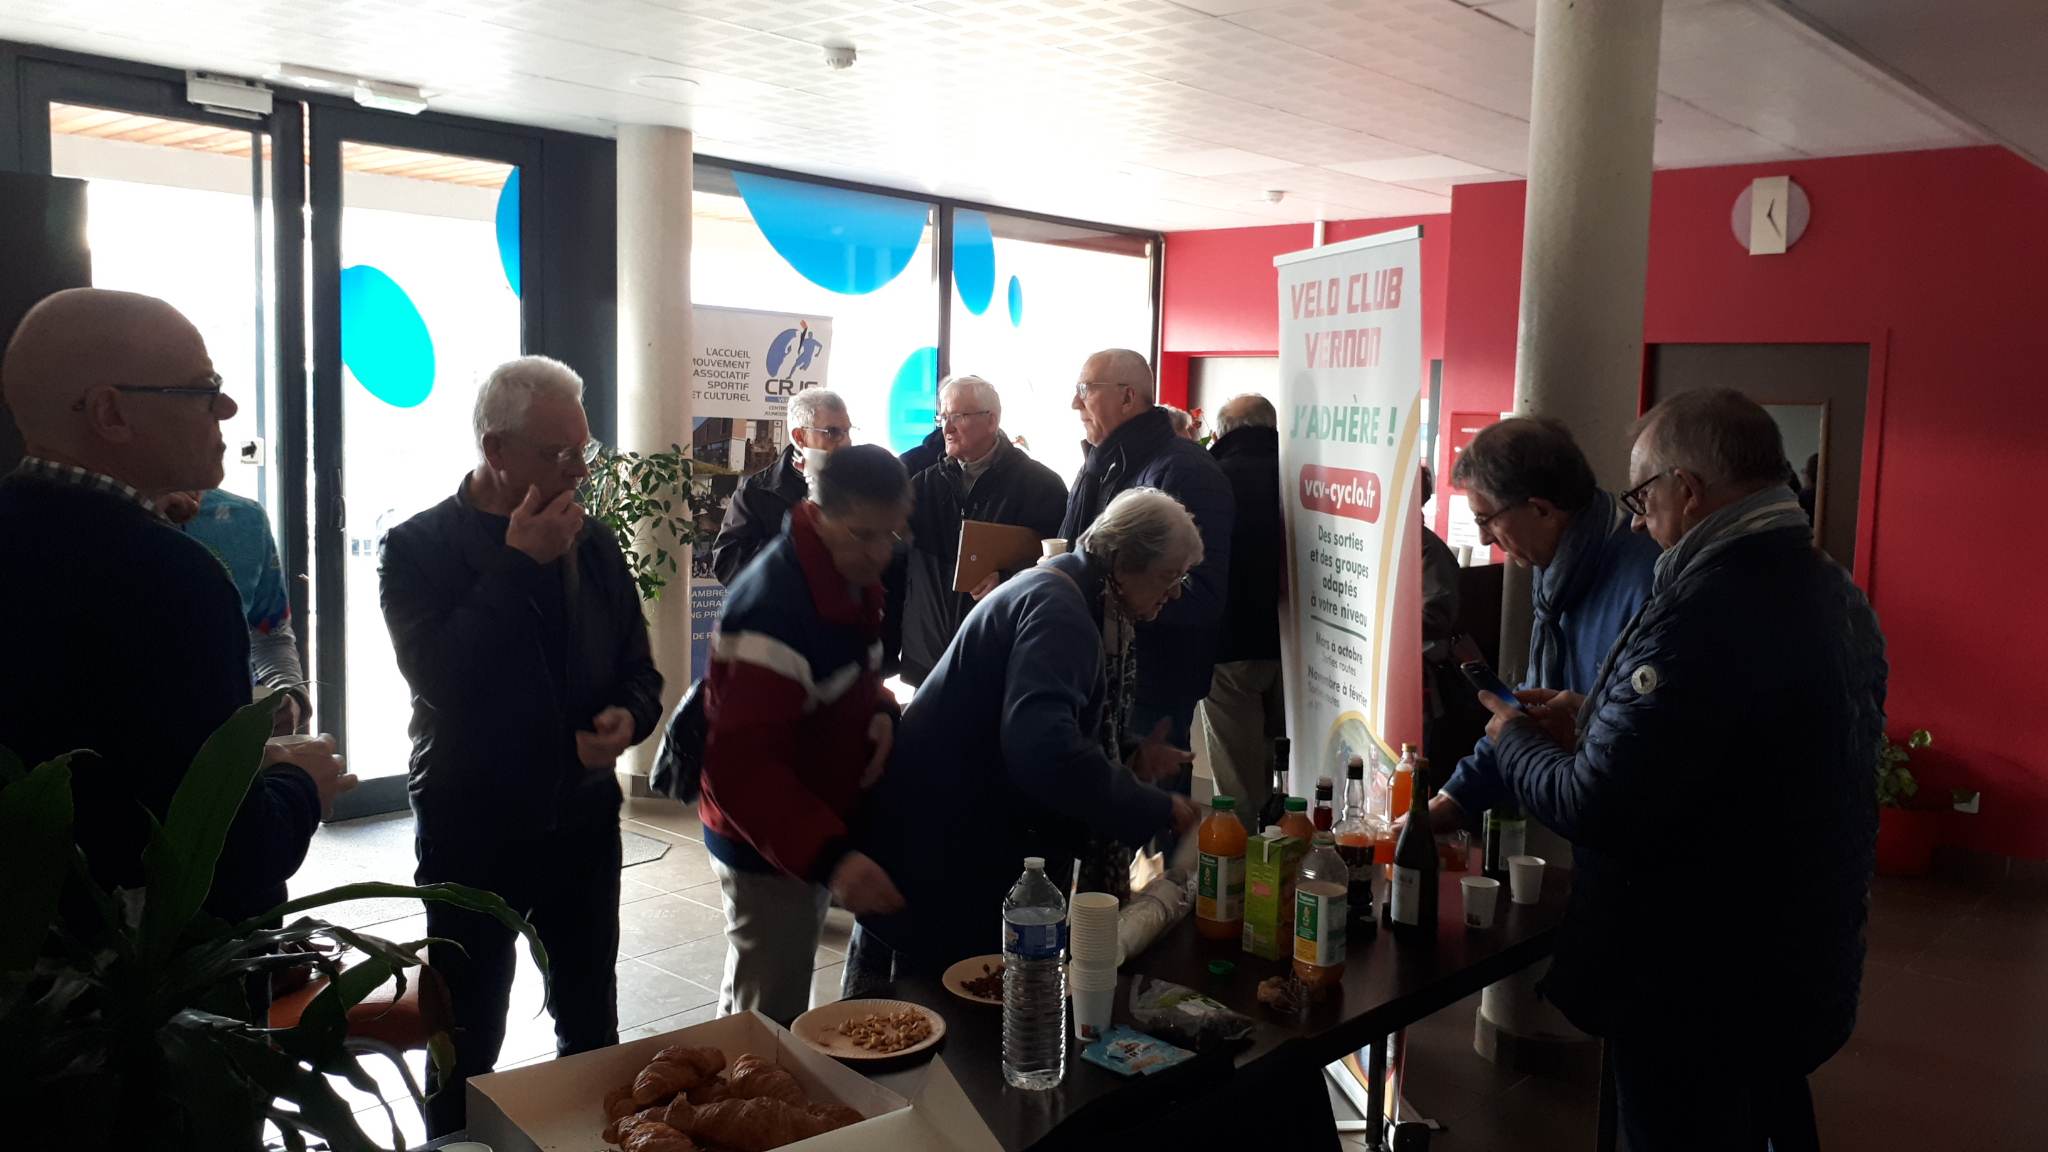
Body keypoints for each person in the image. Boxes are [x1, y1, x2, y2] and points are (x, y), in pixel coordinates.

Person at [1481, 390, 1886, 1150]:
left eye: (1641, 497)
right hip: (1793, 951)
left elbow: (1597, 803)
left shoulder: (1703, 607)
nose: (1636, 521)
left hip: (1694, 981)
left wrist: (1513, 739)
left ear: (1687, 489)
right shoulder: (1833, 589)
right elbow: (1735, 752)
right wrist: (1595, 718)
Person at [0, 288, 350, 927]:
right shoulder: (170, 577)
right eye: (202, 390)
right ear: (110, 413)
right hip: (145, 967)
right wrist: (303, 785)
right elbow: (218, 853)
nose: (228, 407)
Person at [379, 355, 663, 1136]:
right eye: (558, 452)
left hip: (580, 822)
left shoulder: (593, 542)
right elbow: (443, 681)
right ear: (495, 449)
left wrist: (630, 719)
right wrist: (515, 565)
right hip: (474, 826)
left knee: (590, 1020)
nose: (579, 469)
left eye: (583, 449)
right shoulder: (418, 547)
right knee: (466, 1035)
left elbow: (640, 670)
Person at [851, 488, 1205, 989]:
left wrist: (1127, 754)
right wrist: (1155, 806)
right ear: (1125, 561)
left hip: (947, 831)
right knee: (927, 1014)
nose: (1175, 594)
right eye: (1170, 576)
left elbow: (1041, 722)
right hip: (950, 849)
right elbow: (1042, 750)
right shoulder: (1061, 612)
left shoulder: (1062, 590)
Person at [698, 444, 910, 1025]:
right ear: (818, 514)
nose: (880, 553)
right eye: (864, 534)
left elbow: (851, 676)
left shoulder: (844, 575)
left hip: (805, 822)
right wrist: (832, 859)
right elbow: (741, 769)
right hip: (767, 844)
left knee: (753, 994)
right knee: (768, 1018)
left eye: (891, 534)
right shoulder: (775, 605)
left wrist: (880, 712)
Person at [1420, 418, 1661, 833]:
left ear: (1541, 510)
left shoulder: (1645, 584)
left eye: (1485, 519)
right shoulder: (1558, 573)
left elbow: (1646, 752)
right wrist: (1450, 802)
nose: (1484, 540)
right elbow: (1524, 716)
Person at [1061, 349, 1234, 762]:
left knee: (1148, 797)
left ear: (1127, 397)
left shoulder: (1186, 471)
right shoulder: (1099, 465)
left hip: (1151, 684)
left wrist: (1111, 603)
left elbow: (1201, 592)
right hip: (1097, 669)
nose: (1074, 403)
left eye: (1085, 389)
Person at [898, 374, 1068, 687]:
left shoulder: (1040, 486)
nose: (947, 428)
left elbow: (1058, 569)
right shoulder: (922, 485)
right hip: (927, 660)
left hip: (1000, 658)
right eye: (943, 417)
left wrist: (1009, 579)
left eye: (958, 417)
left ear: (991, 421)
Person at [1196, 393, 1284, 816]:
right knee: (1295, 766)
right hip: (1298, 644)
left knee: (1237, 780)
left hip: (1229, 645)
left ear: (1219, 432)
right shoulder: (1304, 476)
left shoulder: (1211, 480)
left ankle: (1242, 851)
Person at [163, 487, 308, 735]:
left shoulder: (246, 518)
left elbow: (270, 636)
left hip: (233, 742)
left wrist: (290, 697)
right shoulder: (100, 516)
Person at [709, 387, 849, 585]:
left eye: (847, 431)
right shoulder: (756, 492)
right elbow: (728, 565)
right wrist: (796, 542)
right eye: (833, 432)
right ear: (800, 436)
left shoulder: (859, 482)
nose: (846, 442)